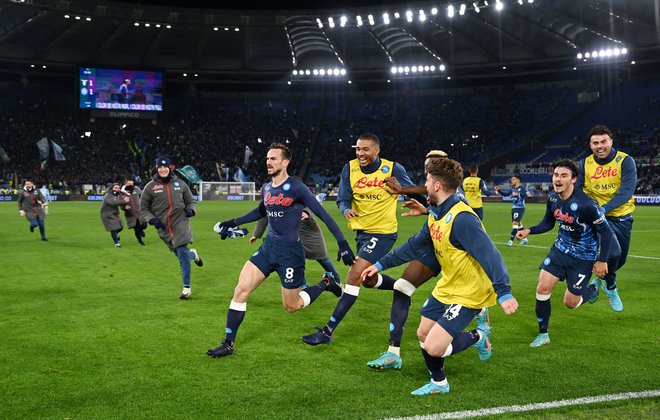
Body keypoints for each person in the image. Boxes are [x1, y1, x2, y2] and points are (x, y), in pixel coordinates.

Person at [361, 157, 518, 395]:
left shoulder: (463, 218)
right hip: (449, 284)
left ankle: (478, 337)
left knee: (434, 346)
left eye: (427, 180)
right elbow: (414, 245)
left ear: (436, 185)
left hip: (470, 290)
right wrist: (380, 264)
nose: (425, 184)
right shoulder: (436, 211)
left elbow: (490, 255)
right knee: (423, 333)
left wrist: (504, 291)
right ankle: (439, 383)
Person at [206, 143, 355, 358]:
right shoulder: (267, 188)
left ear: (285, 162)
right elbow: (259, 212)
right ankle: (228, 344)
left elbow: (324, 215)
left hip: (290, 255)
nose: (268, 162)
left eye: (273, 158)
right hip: (268, 249)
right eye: (267, 158)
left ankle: (325, 283)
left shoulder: (296, 188)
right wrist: (232, 222)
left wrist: (342, 243)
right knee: (240, 290)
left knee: (292, 306)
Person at [301, 133, 420, 347]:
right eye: (357, 149)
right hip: (361, 234)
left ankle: (328, 332)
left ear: (377, 150)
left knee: (354, 275)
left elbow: (411, 190)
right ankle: (402, 287)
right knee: (368, 279)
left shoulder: (393, 169)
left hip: (383, 233)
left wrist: (424, 204)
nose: (360, 153)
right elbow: (343, 199)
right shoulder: (350, 168)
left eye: (365, 149)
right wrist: (346, 209)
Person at [516, 160, 617, 348]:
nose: (558, 179)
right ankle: (543, 334)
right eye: (556, 175)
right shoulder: (553, 199)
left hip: (583, 259)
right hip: (559, 252)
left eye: (563, 176)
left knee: (570, 303)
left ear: (573, 180)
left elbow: (606, 232)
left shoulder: (587, 204)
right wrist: (529, 230)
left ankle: (593, 289)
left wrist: (602, 260)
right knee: (542, 289)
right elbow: (548, 223)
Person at [576, 125, 636, 312]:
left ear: (611, 141)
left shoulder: (625, 161)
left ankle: (599, 281)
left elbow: (626, 192)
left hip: (622, 216)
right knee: (614, 253)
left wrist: (603, 208)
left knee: (620, 259)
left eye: (604, 141)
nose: (600, 146)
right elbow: (577, 190)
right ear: (590, 145)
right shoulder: (584, 164)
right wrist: (592, 210)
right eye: (595, 143)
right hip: (598, 218)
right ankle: (611, 288)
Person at [140, 156, 202, 299]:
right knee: (181, 255)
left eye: (165, 167)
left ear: (170, 168)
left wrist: (191, 210)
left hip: (181, 222)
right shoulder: (150, 187)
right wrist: (152, 219)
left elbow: (191, 201)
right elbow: (143, 209)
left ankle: (186, 288)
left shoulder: (181, 184)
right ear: (156, 168)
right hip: (163, 228)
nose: (162, 169)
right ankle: (194, 255)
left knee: (181, 251)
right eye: (160, 167)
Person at [250, 202, 342, 287]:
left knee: (323, 259)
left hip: (307, 228)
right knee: (294, 259)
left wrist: (306, 212)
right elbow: (263, 215)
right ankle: (303, 285)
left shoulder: (296, 188)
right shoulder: (271, 195)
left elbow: (312, 203)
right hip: (290, 233)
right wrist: (256, 234)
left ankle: (337, 282)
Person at [495, 174, 532, 246]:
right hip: (514, 208)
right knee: (519, 224)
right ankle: (525, 239)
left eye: (513, 179)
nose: (511, 181)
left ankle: (510, 241)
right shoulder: (512, 189)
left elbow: (529, 195)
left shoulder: (522, 188)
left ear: (518, 180)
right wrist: (499, 190)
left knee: (515, 224)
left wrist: (528, 195)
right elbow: (505, 194)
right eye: (511, 179)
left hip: (520, 208)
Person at [100, 183, 129, 247]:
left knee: (120, 227)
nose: (117, 189)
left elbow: (124, 199)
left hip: (114, 214)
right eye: (115, 187)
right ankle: (116, 243)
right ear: (112, 188)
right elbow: (112, 203)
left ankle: (116, 234)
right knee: (113, 229)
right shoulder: (108, 195)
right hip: (107, 214)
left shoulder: (118, 194)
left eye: (118, 188)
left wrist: (125, 206)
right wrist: (124, 201)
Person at [121, 178, 146, 246]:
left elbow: (144, 194)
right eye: (129, 184)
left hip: (140, 212)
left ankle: (141, 230)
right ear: (125, 184)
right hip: (131, 214)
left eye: (132, 184)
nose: (131, 185)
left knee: (144, 225)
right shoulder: (122, 193)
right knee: (136, 229)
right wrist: (124, 207)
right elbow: (120, 204)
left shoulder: (136, 190)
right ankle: (140, 242)